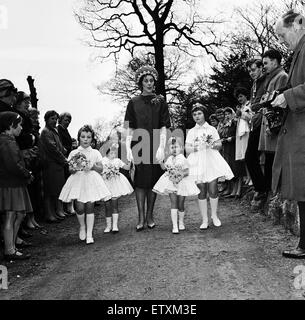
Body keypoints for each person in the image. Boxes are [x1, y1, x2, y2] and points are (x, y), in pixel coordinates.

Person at [272, 10, 305, 259]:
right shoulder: (298, 52)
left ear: (297, 24)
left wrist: (288, 96)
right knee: (302, 189)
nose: (283, 42)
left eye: (283, 36)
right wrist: (280, 94)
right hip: (298, 128)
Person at [124, 65, 171, 231]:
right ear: (141, 82)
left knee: (153, 180)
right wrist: (128, 148)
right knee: (140, 182)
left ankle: (150, 215)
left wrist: (162, 146)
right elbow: (128, 126)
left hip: (156, 144)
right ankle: (140, 216)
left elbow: (165, 125)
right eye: (146, 81)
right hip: (139, 144)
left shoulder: (160, 101)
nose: (149, 83)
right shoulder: (133, 102)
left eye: (151, 80)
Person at [59, 125, 111, 244]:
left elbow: (101, 168)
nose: (85, 139)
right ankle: (82, 226)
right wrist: (76, 167)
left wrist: (92, 166)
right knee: (80, 207)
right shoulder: (74, 152)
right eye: (83, 137)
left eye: (88, 137)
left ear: (92, 139)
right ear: (79, 138)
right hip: (78, 181)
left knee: (90, 206)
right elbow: (70, 170)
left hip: (91, 181)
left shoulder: (95, 153)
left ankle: (89, 234)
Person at [185, 103, 234, 229]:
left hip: (210, 160)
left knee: (213, 188)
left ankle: (214, 215)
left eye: (199, 113)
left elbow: (219, 145)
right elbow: (187, 148)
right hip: (197, 161)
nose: (197, 116)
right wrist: (196, 147)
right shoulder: (191, 131)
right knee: (201, 190)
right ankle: (204, 219)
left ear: (204, 114)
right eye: (194, 114)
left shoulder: (211, 129)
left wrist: (211, 145)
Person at [0, 112, 33, 261]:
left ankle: (12, 246)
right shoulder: (7, 142)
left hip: (14, 183)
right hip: (11, 184)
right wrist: (27, 174)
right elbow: (13, 165)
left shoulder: (9, 140)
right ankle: (9, 249)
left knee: (18, 214)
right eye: (18, 124)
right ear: (10, 125)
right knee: (11, 215)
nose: (20, 127)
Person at [153, 137, 200, 233]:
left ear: (181, 148)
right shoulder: (169, 159)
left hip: (182, 182)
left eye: (176, 147)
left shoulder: (183, 159)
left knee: (181, 204)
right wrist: (160, 161)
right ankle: (175, 226)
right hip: (171, 183)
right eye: (172, 147)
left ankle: (181, 222)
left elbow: (187, 171)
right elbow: (164, 168)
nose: (174, 149)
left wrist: (180, 175)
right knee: (173, 203)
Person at [258, 49, 288, 197]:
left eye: (266, 63)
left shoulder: (282, 76)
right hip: (268, 124)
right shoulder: (271, 78)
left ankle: (276, 193)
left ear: (275, 62)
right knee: (269, 159)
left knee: (275, 159)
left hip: (275, 125)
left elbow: (278, 103)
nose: (264, 66)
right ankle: (272, 192)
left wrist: (272, 124)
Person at [245, 58, 267, 202]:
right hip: (255, 122)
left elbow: (263, 100)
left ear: (260, 68)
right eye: (249, 71)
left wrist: (250, 108)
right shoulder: (255, 83)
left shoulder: (266, 80)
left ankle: (262, 188)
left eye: (253, 70)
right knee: (252, 156)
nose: (251, 73)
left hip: (263, 122)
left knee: (251, 156)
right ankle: (261, 187)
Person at [39, 110, 68, 223]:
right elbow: (52, 149)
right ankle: (49, 214)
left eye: (56, 119)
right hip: (50, 165)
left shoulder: (54, 131)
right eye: (52, 118)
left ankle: (55, 212)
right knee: (50, 191)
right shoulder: (46, 132)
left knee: (56, 190)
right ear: (46, 119)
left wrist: (64, 150)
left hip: (57, 165)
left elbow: (58, 146)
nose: (55, 121)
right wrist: (64, 159)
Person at [101, 143, 133, 233]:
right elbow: (99, 170)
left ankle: (115, 226)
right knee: (107, 206)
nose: (113, 154)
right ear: (106, 152)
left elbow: (126, 167)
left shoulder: (117, 161)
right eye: (111, 152)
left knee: (115, 205)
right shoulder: (103, 161)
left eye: (114, 153)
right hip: (106, 184)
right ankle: (108, 226)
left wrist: (130, 161)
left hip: (115, 185)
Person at [234, 87, 253, 197]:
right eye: (238, 97)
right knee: (243, 158)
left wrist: (241, 114)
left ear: (246, 95)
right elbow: (238, 120)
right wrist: (237, 115)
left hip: (248, 132)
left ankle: (251, 177)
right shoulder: (240, 107)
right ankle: (248, 176)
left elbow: (251, 118)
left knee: (248, 155)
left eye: (241, 96)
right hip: (240, 134)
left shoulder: (249, 105)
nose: (239, 99)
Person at [57, 112, 75, 215]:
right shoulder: (58, 129)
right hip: (63, 159)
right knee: (65, 183)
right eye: (66, 120)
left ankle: (69, 206)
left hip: (68, 158)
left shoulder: (66, 130)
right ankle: (65, 207)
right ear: (61, 120)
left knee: (69, 182)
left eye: (69, 121)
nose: (67, 122)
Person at [221, 107, 238, 197]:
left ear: (232, 114)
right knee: (228, 167)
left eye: (228, 114)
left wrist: (231, 138)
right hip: (226, 147)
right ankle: (229, 188)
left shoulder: (235, 123)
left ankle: (235, 190)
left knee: (234, 167)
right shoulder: (225, 124)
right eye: (226, 114)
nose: (227, 116)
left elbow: (238, 135)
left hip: (233, 147)